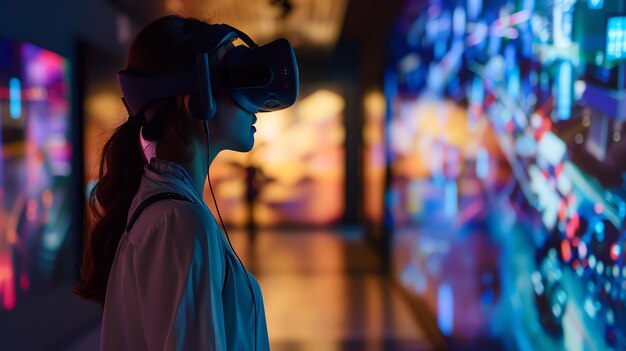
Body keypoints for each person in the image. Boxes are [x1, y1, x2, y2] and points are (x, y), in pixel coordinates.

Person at [74, 15, 298, 350]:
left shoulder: (171, 211)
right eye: (234, 74)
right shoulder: (179, 222)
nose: (254, 100)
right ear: (195, 100)